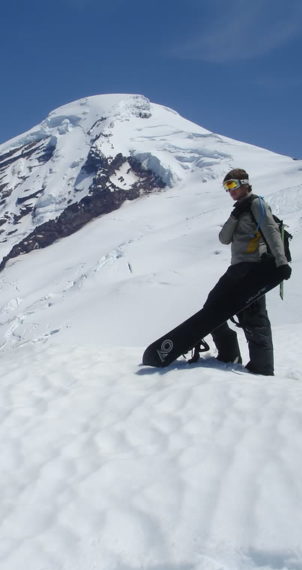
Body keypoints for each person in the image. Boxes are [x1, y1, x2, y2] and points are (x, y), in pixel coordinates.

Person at [209, 168, 291, 376]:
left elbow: (271, 231)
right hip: (237, 269)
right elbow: (223, 239)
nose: (230, 191)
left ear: (244, 183)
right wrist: (235, 216)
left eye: (232, 185)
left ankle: (262, 368)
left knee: (253, 317)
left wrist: (281, 263)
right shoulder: (239, 210)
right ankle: (230, 355)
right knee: (211, 308)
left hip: (254, 268)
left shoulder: (257, 204)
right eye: (226, 187)